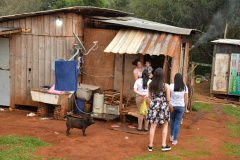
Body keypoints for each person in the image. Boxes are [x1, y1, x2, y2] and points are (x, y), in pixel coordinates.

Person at [146, 68, 171, 152]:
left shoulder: (150, 85)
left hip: (153, 106)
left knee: (153, 126)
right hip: (163, 107)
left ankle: (150, 146)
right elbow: (168, 99)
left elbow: (149, 97)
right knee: (165, 125)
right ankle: (163, 145)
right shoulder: (166, 86)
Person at [170, 73, 188, 145]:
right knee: (177, 122)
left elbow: (169, 96)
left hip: (172, 106)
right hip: (181, 106)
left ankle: (171, 136)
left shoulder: (171, 86)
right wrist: (186, 107)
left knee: (172, 121)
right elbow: (186, 99)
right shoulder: (185, 87)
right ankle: (174, 140)